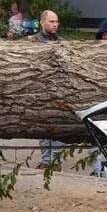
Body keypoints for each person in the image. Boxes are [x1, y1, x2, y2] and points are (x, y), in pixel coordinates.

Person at [34, 9, 62, 166]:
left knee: (58, 127)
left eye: (56, 21)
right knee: (43, 128)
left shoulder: (62, 42)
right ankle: (46, 161)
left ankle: (56, 161)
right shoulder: (33, 42)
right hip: (40, 92)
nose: (55, 24)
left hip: (59, 92)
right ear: (42, 22)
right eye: (51, 21)